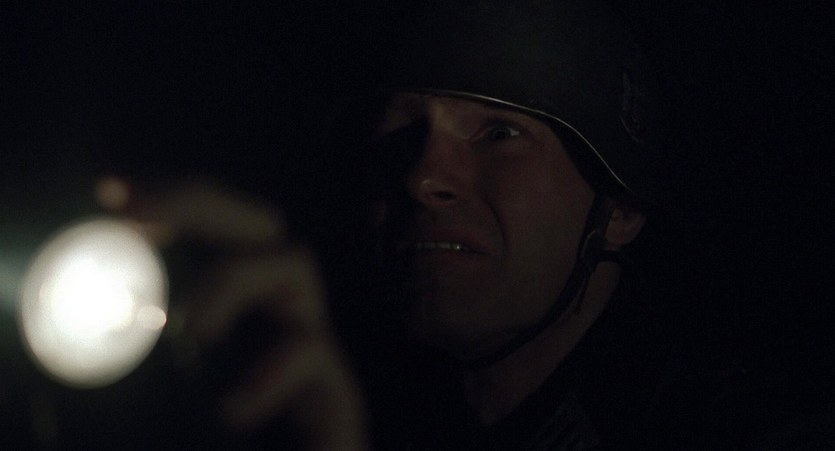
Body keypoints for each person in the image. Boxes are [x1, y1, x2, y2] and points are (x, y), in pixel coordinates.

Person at [99, 1, 727, 449]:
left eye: (499, 134)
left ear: (619, 210)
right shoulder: (353, 397)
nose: (422, 177)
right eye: (399, 132)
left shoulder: (732, 420)